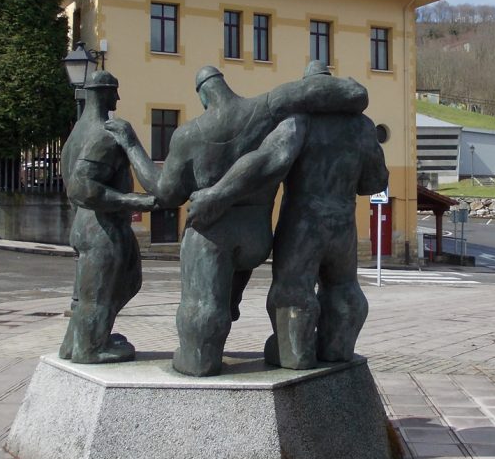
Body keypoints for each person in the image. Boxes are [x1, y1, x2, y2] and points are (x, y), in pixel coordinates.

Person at [105, 65, 368, 376]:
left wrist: (132, 145)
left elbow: (167, 193)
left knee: (210, 303)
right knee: (333, 287)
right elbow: (368, 172)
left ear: (203, 96)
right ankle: (321, 344)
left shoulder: (190, 134)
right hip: (261, 235)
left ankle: (202, 357)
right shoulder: (265, 110)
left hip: (216, 233)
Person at [187, 61, 388, 369]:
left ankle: (295, 353)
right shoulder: (362, 126)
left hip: (304, 223)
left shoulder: (299, 120)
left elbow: (269, 160)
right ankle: (337, 348)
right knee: (344, 287)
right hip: (344, 224)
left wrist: (219, 194)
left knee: (293, 290)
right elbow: (375, 181)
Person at [58, 70, 156, 364]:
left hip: (86, 223)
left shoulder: (78, 131)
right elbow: (82, 186)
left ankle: (77, 341)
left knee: (121, 282)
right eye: (115, 91)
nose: (118, 97)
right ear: (103, 93)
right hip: (102, 225)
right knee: (99, 293)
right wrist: (131, 200)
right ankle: (91, 349)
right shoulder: (105, 133)